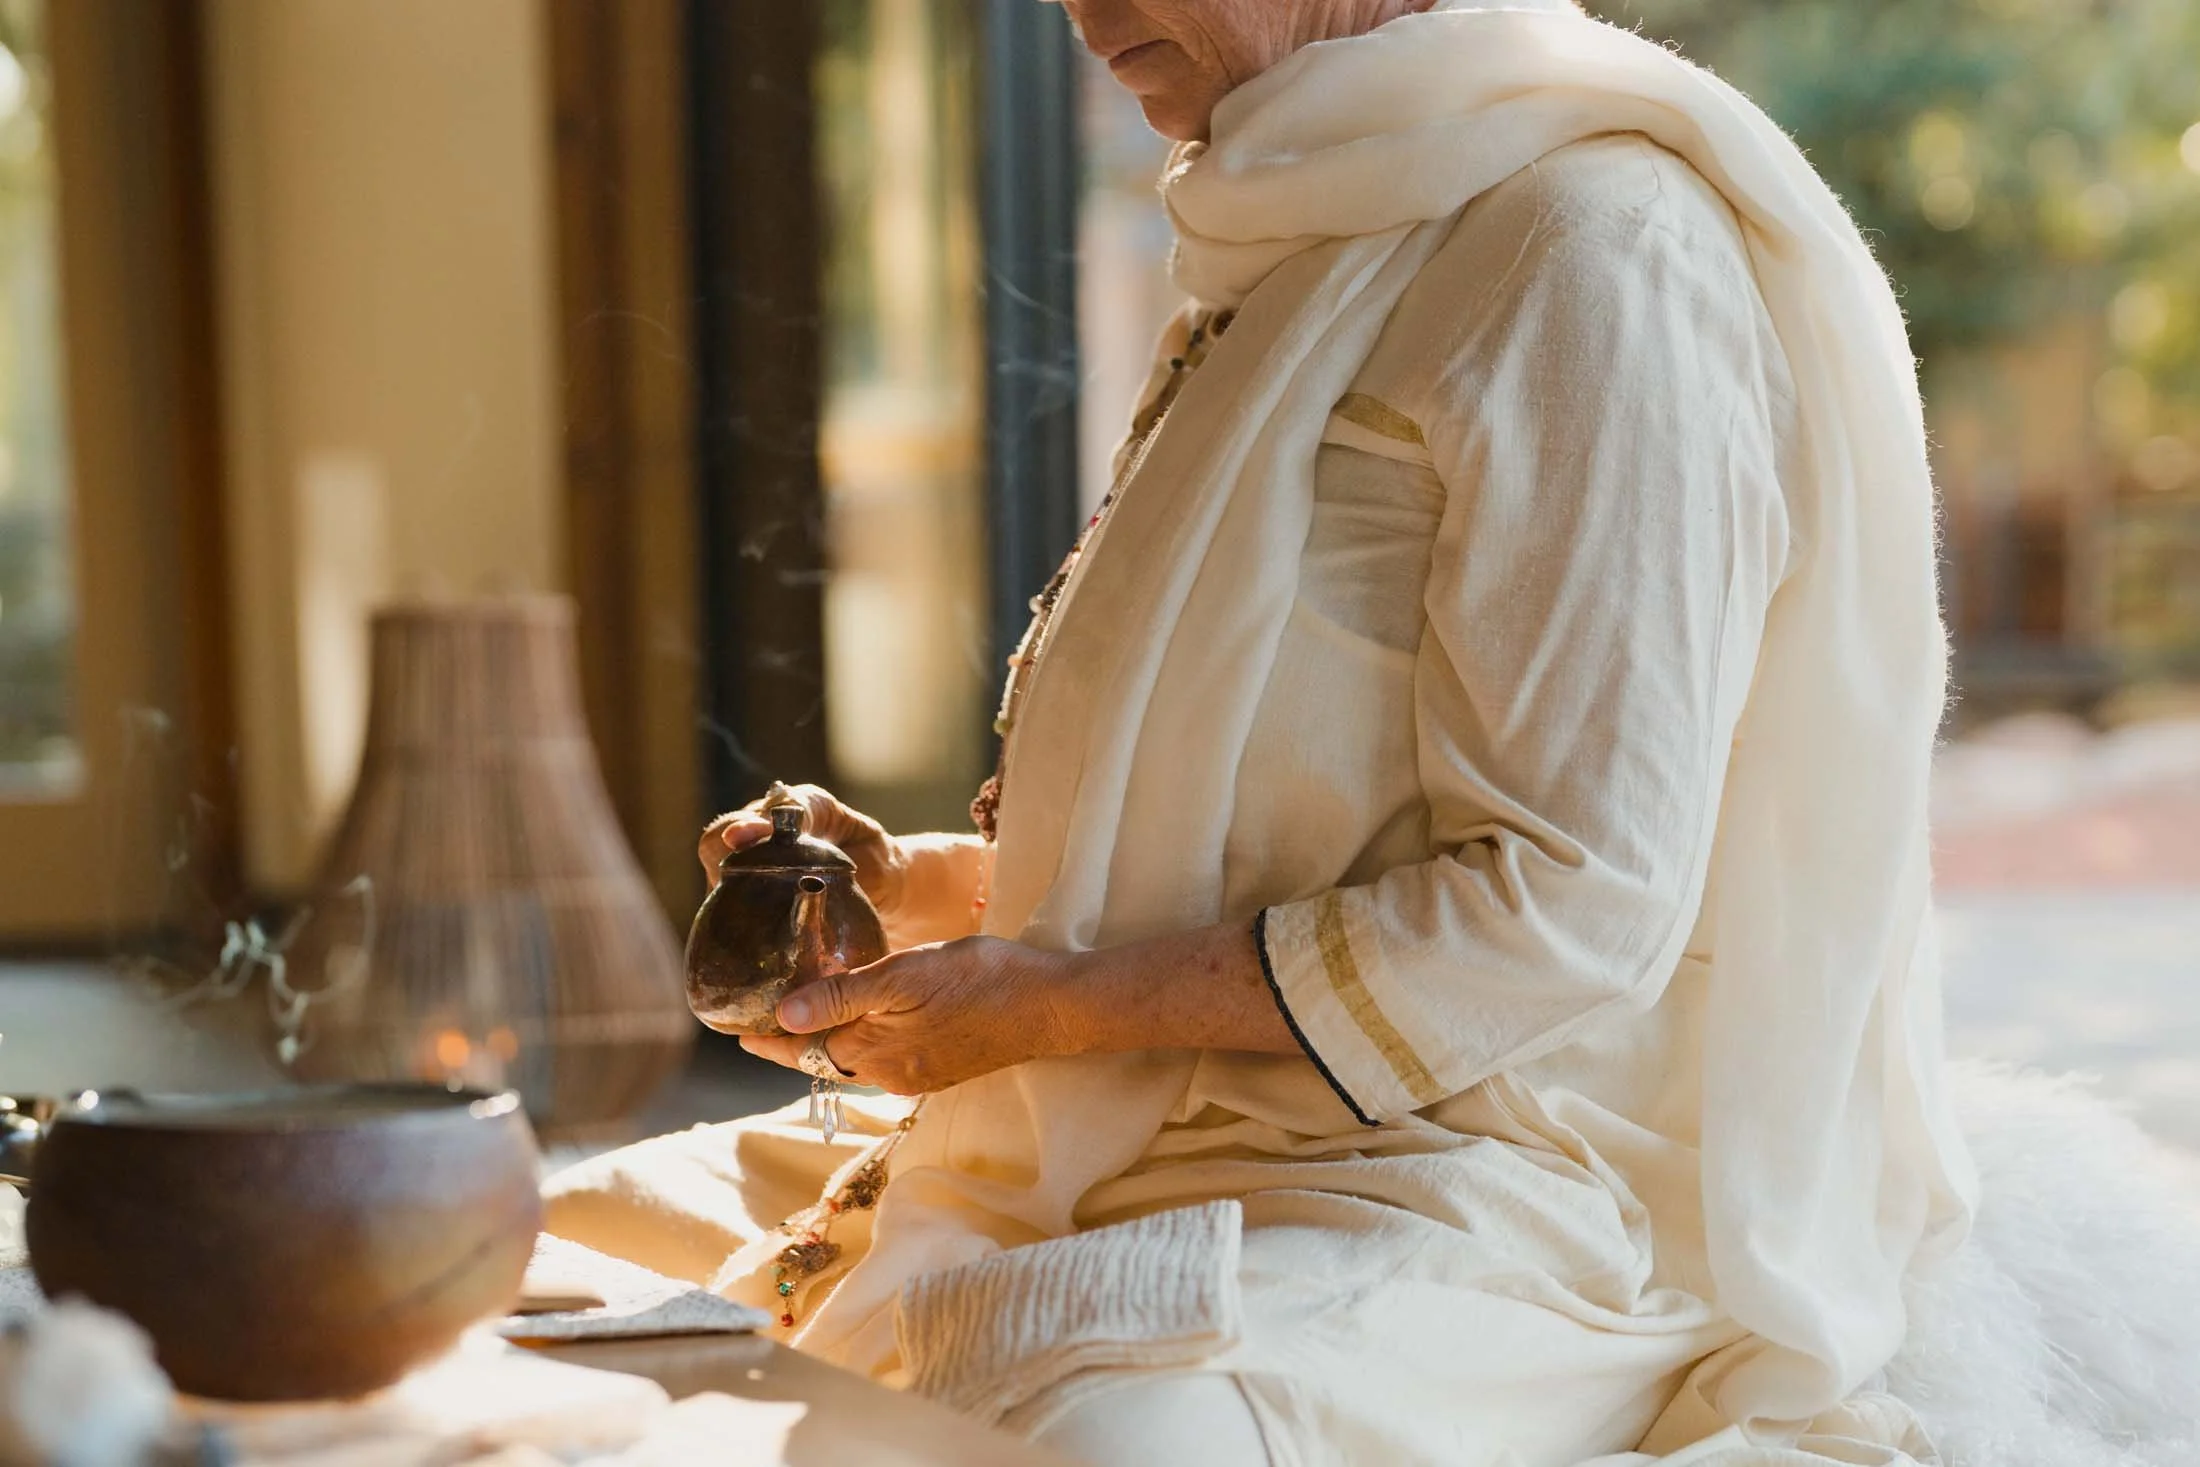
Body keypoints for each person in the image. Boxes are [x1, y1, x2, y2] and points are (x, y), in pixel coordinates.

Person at [543, 0, 1977, 1460]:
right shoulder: (1298, 237)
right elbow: (1241, 841)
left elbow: (1573, 909)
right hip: (1128, 1118)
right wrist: (920, 891)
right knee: (520, 1262)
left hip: (1472, 1172)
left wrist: (1051, 1009)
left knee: (1105, 1436)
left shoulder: (1589, 250)